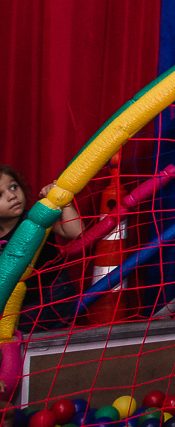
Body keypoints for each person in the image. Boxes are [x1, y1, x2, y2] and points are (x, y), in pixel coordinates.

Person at [0, 166, 83, 406]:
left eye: (13, 187)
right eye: (1, 195)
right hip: (20, 308)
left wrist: (64, 202)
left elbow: (75, 233)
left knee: (65, 347)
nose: (12, 195)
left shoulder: (36, 217)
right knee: (29, 355)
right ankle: (35, 402)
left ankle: (69, 393)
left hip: (56, 293)